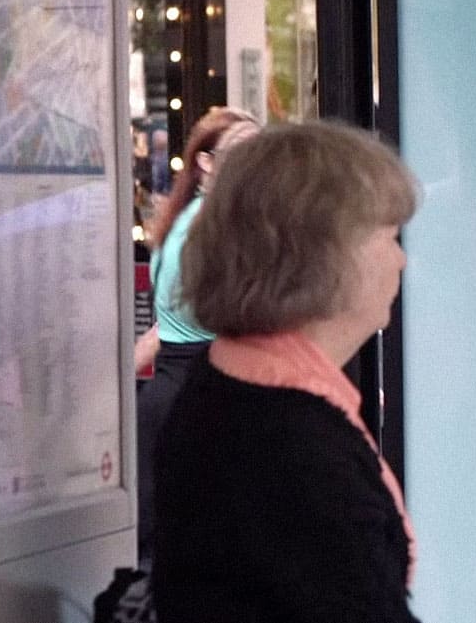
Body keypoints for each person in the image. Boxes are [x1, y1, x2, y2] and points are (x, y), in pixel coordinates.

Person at [151, 120, 420, 622]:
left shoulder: (236, 387)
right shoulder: (289, 443)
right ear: (325, 255)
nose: (402, 259)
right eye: (388, 237)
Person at [133, 106, 259, 565]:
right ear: (207, 163)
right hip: (201, 395)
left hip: (172, 393)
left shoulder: (187, 221)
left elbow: (163, 332)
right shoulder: (214, 230)